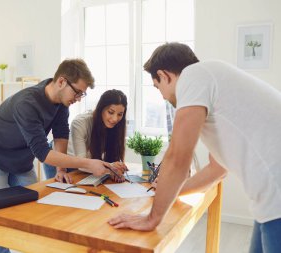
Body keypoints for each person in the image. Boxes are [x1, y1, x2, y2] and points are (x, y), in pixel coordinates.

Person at [108, 42, 281, 253]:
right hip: (269, 202)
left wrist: (152, 218)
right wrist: (169, 193)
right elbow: (217, 169)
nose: (162, 96)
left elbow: (178, 157)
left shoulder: (194, 76)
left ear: (165, 75)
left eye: (157, 86)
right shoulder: (213, 79)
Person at [0, 59, 122, 253]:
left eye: (82, 94)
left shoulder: (62, 103)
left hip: (20, 161)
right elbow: (43, 153)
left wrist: (60, 169)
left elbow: (60, 134)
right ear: (61, 81)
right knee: (1, 219)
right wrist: (88, 163)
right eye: (77, 92)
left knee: (34, 211)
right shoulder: (27, 103)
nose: (78, 98)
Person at [43, 89, 128, 183]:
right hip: (61, 159)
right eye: (111, 112)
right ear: (101, 109)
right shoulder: (80, 123)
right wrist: (111, 167)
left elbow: (107, 160)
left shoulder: (116, 127)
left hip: (85, 164)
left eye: (120, 114)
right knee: (59, 192)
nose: (115, 119)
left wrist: (116, 170)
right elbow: (82, 163)